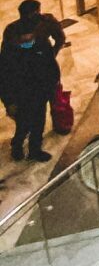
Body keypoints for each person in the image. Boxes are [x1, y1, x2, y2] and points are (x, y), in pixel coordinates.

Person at [0, 15, 60, 162]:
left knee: (39, 124)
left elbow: (51, 67)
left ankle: (35, 150)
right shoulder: (8, 55)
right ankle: (17, 145)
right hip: (20, 97)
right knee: (23, 124)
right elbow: (3, 82)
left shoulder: (41, 45)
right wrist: (9, 103)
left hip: (40, 93)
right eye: (24, 41)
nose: (28, 42)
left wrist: (52, 87)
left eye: (30, 39)